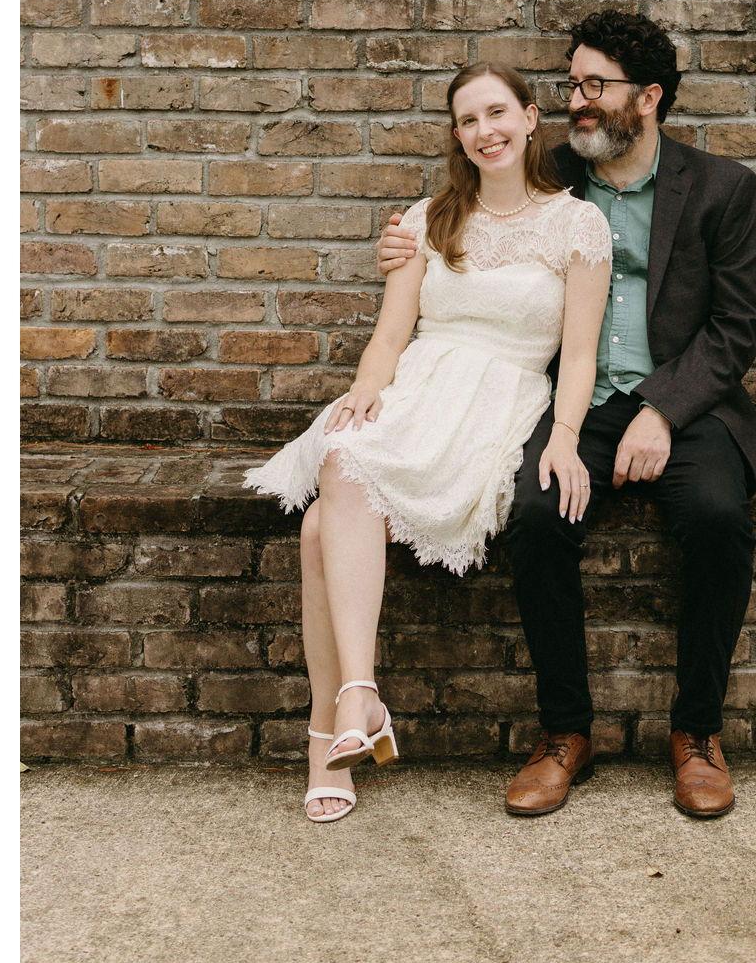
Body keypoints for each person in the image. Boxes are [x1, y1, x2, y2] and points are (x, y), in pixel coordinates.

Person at [378, 10, 756, 819]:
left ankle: (696, 732)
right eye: (572, 84)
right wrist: (397, 243)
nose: (578, 102)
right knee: (535, 516)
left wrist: (662, 408)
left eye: (596, 86)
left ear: (649, 97)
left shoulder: (721, 186)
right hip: (570, 404)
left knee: (718, 517)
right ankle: (564, 733)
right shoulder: (547, 171)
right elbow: (459, 214)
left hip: (681, 404)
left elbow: (736, 325)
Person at [243, 62, 612, 822]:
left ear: (530, 117)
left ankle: (332, 733)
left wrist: (567, 436)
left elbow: (578, 355)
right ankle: (357, 701)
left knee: (322, 522)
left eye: (498, 113)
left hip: (499, 396)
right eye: (469, 119)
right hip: (417, 385)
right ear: (457, 134)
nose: (486, 131)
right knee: (345, 455)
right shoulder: (423, 219)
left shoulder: (578, 224)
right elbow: (389, 336)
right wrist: (366, 389)